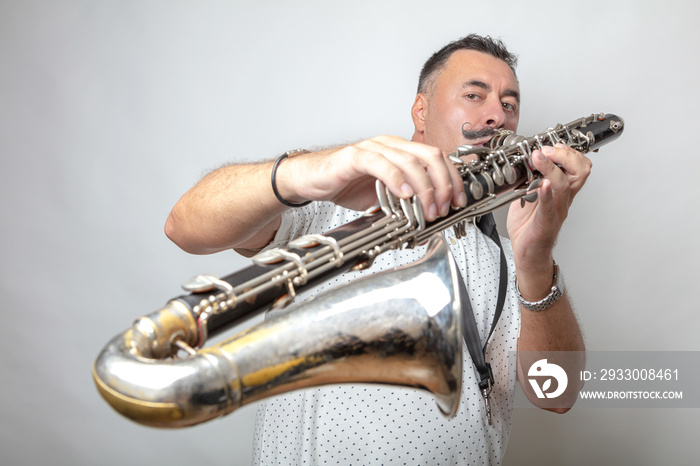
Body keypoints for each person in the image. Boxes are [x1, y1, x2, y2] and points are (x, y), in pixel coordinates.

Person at [165, 34, 587, 465]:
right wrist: (306, 172)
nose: (497, 115)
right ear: (420, 110)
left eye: (509, 105)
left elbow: (557, 393)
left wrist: (536, 259)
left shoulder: (510, 252)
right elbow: (185, 226)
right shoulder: (333, 196)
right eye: (474, 95)